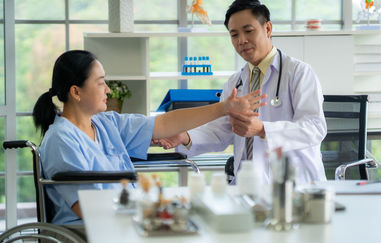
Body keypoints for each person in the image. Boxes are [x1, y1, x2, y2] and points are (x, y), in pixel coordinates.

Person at [32, 50, 265, 225]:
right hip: (94, 228)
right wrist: (149, 212)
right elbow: (88, 210)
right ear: (76, 92)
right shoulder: (61, 141)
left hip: (123, 216)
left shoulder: (106, 124)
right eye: (101, 83)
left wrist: (224, 108)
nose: (108, 90)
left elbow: (164, 123)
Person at [155, 0, 327, 185]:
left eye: (248, 31)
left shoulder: (298, 73)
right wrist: (185, 136)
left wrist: (262, 130)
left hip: (295, 184)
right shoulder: (235, 82)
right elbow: (222, 130)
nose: (241, 41)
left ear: (268, 29)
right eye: (234, 35)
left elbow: (315, 127)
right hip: (248, 185)